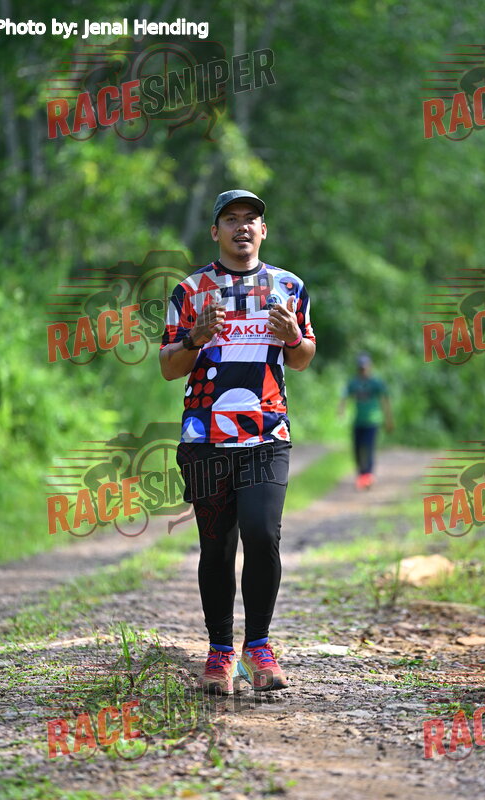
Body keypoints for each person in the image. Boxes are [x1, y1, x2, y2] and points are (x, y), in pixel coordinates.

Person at [160, 189, 316, 694]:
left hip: (268, 433)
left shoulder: (288, 286)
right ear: (216, 231)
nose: (242, 226)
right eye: (231, 219)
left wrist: (293, 336)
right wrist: (194, 338)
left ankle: (259, 647)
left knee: (262, 534)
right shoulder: (190, 291)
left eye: (251, 219)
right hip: (205, 437)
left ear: (263, 231)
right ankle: (220, 651)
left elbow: (303, 357)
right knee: (217, 546)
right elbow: (168, 367)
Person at [339, 353, 393, 490]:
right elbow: (345, 396)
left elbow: (385, 400)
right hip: (358, 421)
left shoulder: (376, 383)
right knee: (357, 449)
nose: (363, 370)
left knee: (368, 448)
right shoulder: (354, 382)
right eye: (361, 368)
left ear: (369, 367)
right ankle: (361, 474)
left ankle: (368, 475)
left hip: (372, 421)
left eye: (365, 368)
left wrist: (388, 419)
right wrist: (341, 410)